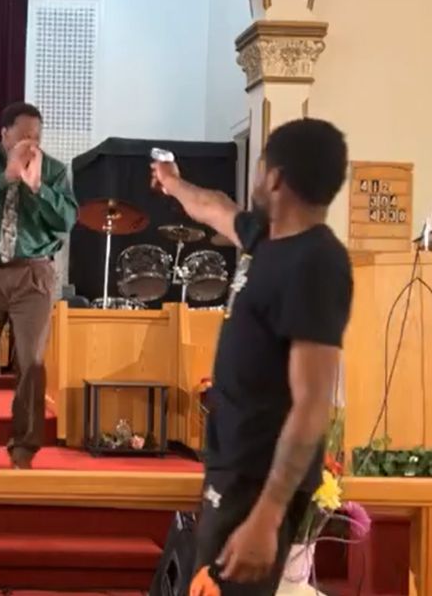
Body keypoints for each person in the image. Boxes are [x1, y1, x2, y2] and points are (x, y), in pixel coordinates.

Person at [150, 119, 353, 595]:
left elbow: (313, 401)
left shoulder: (315, 263)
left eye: (260, 167)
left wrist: (268, 515)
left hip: (258, 483)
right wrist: (173, 181)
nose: (255, 179)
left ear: (275, 178)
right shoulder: (268, 238)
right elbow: (215, 208)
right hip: (234, 467)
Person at [0, 102, 77, 470]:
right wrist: (5, 177)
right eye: (24, 136)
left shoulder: (52, 170)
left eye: (37, 137)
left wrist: (37, 187)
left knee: (31, 363)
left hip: (33, 276)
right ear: (4, 135)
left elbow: (66, 219)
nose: (31, 144)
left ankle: (23, 449)